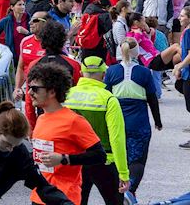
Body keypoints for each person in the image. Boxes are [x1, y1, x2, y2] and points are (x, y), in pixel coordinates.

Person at [26, 60, 107, 205]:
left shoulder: (74, 121)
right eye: (29, 87)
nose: (30, 92)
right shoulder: (41, 118)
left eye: (35, 88)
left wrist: (64, 159)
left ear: (52, 91)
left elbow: (99, 156)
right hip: (39, 196)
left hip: (65, 197)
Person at [62, 56, 128, 205]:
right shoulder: (109, 99)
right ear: (104, 75)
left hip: (75, 161)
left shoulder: (67, 96)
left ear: (81, 72)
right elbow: (117, 138)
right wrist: (123, 173)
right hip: (105, 161)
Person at [103, 40, 160, 198]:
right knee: (138, 159)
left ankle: (118, 189)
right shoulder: (144, 72)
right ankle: (131, 189)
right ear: (137, 52)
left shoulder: (111, 71)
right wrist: (158, 121)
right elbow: (152, 99)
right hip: (138, 120)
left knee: (117, 155)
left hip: (116, 119)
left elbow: (105, 96)